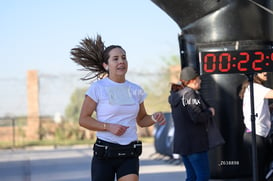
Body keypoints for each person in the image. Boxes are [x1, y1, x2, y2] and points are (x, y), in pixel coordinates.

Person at [70, 35, 166, 181]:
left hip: (129, 153)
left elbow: (141, 120)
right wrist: (108, 126)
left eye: (124, 57)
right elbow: (83, 120)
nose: (121, 61)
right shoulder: (97, 88)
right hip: (105, 154)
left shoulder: (136, 89)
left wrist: (153, 118)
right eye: (115, 59)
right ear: (106, 65)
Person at [168, 66, 215, 181]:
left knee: (192, 177)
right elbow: (196, 116)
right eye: (199, 79)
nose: (201, 81)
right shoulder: (189, 93)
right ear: (193, 80)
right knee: (203, 176)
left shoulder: (176, 95)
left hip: (183, 144)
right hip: (195, 144)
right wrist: (209, 112)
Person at [239, 72, 273, 181]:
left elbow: (261, 108)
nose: (265, 72)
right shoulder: (256, 88)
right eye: (261, 70)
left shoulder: (253, 88)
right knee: (259, 172)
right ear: (254, 74)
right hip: (255, 135)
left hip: (258, 134)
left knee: (261, 170)